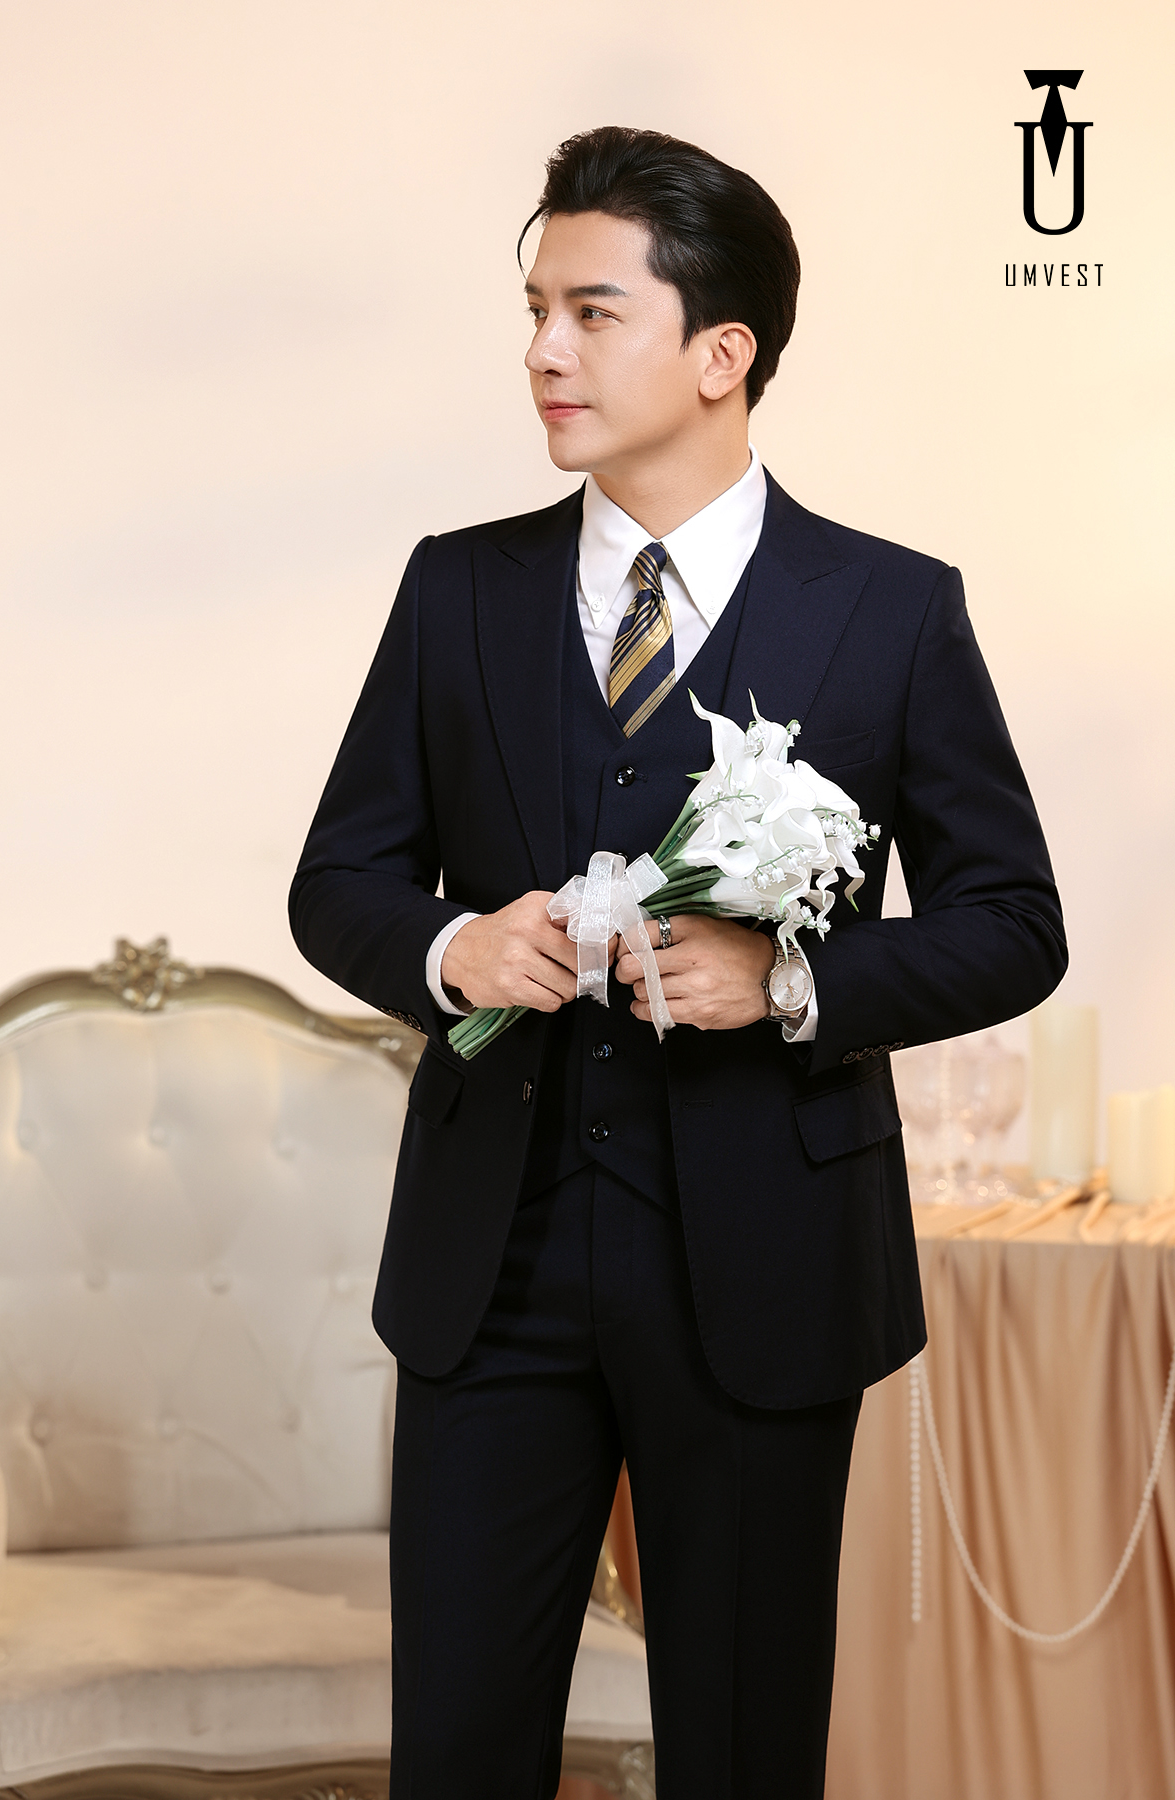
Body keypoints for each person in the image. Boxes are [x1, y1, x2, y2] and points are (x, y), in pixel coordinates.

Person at [289, 126, 1066, 1800]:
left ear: (723, 355)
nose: (543, 351)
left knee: (742, 1753)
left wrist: (793, 983)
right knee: (458, 1756)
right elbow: (338, 882)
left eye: (592, 312)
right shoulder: (457, 590)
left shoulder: (891, 610)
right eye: (535, 311)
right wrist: (455, 946)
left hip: (766, 1267)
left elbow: (1014, 921)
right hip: (491, 1269)